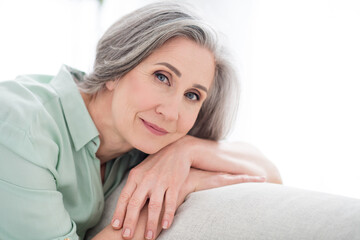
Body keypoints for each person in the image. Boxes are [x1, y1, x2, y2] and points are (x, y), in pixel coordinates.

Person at [0, 2, 281, 240]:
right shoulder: (22, 127)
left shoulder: (139, 144)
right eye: (162, 77)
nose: (172, 112)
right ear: (115, 68)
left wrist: (185, 152)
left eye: (193, 95)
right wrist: (159, 205)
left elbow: (269, 175)